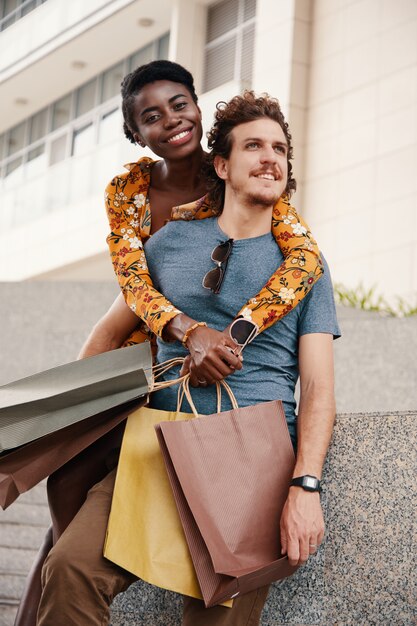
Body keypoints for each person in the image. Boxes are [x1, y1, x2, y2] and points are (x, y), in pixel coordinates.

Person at [15, 61, 323, 626]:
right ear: (136, 133)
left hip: (242, 437)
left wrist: (236, 335)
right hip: (151, 381)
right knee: (66, 533)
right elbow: (128, 295)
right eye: (151, 116)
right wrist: (72, 414)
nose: (170, 121)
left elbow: (303, 265)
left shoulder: (267, 210)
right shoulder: (143, 209)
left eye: (180, 105)